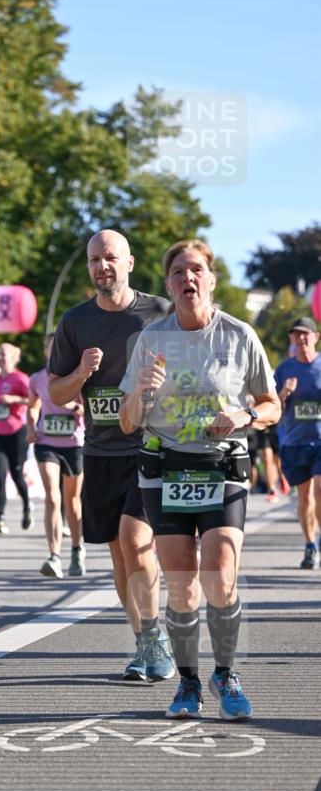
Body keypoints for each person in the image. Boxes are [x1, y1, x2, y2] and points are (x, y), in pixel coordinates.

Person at [120, 239, 280, 720]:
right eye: (177, 273)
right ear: (169, 285)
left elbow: (271, 406)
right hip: (165, 468)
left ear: (210, 280)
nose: (187, 279)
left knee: (221, 569)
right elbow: (128, 423)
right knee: (183, 584)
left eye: (196, 270)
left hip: (221, 466)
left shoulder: (238, 335)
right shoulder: (151, 340)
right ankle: (188, 683)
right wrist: (142, 393)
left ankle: (226, 673)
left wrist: (244, 414)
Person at [48, 229, 174, 682]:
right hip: (100, 451)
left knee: (135, 542)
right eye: (95, 259)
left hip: (149, 446)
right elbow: (58, 393)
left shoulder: (159, 312)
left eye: (111, 258)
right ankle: (144, 638)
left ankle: (156, 637)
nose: (103, 266)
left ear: (130, 263)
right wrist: (81, 370)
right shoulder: (75, 322)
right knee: (119, 553)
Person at [28, 333, 85, 578]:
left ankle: (76, 548)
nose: (56, 351)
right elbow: (33, 405)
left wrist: (73, 407)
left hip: (73, 443)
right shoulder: (37, 379)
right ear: (47, 351)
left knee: (72, 502)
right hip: (46, 442)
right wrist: (31, 426)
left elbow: (87, 409)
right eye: (53, 347)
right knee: (52, 496)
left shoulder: (78, 377)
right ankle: (54, 556)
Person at [274, 317, 321, 568]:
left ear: (316, 337)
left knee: (320, 491)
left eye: (306, 334)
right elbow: (274, 409)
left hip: (320, 441)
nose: (301, 339)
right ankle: (310, 543)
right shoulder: (284, 370)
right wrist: (284, 394)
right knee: (304, 498)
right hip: (294, 443)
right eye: (296, 335)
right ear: (291, 339)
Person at [0, 342, 32, 534]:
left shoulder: (21, 378)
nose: (0, 357)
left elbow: (33, 400)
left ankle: (27, 507)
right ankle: (0, 517)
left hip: (16, 431)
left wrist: (15, 399)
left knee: (16, 474)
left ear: (13, 358)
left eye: (3, 354)